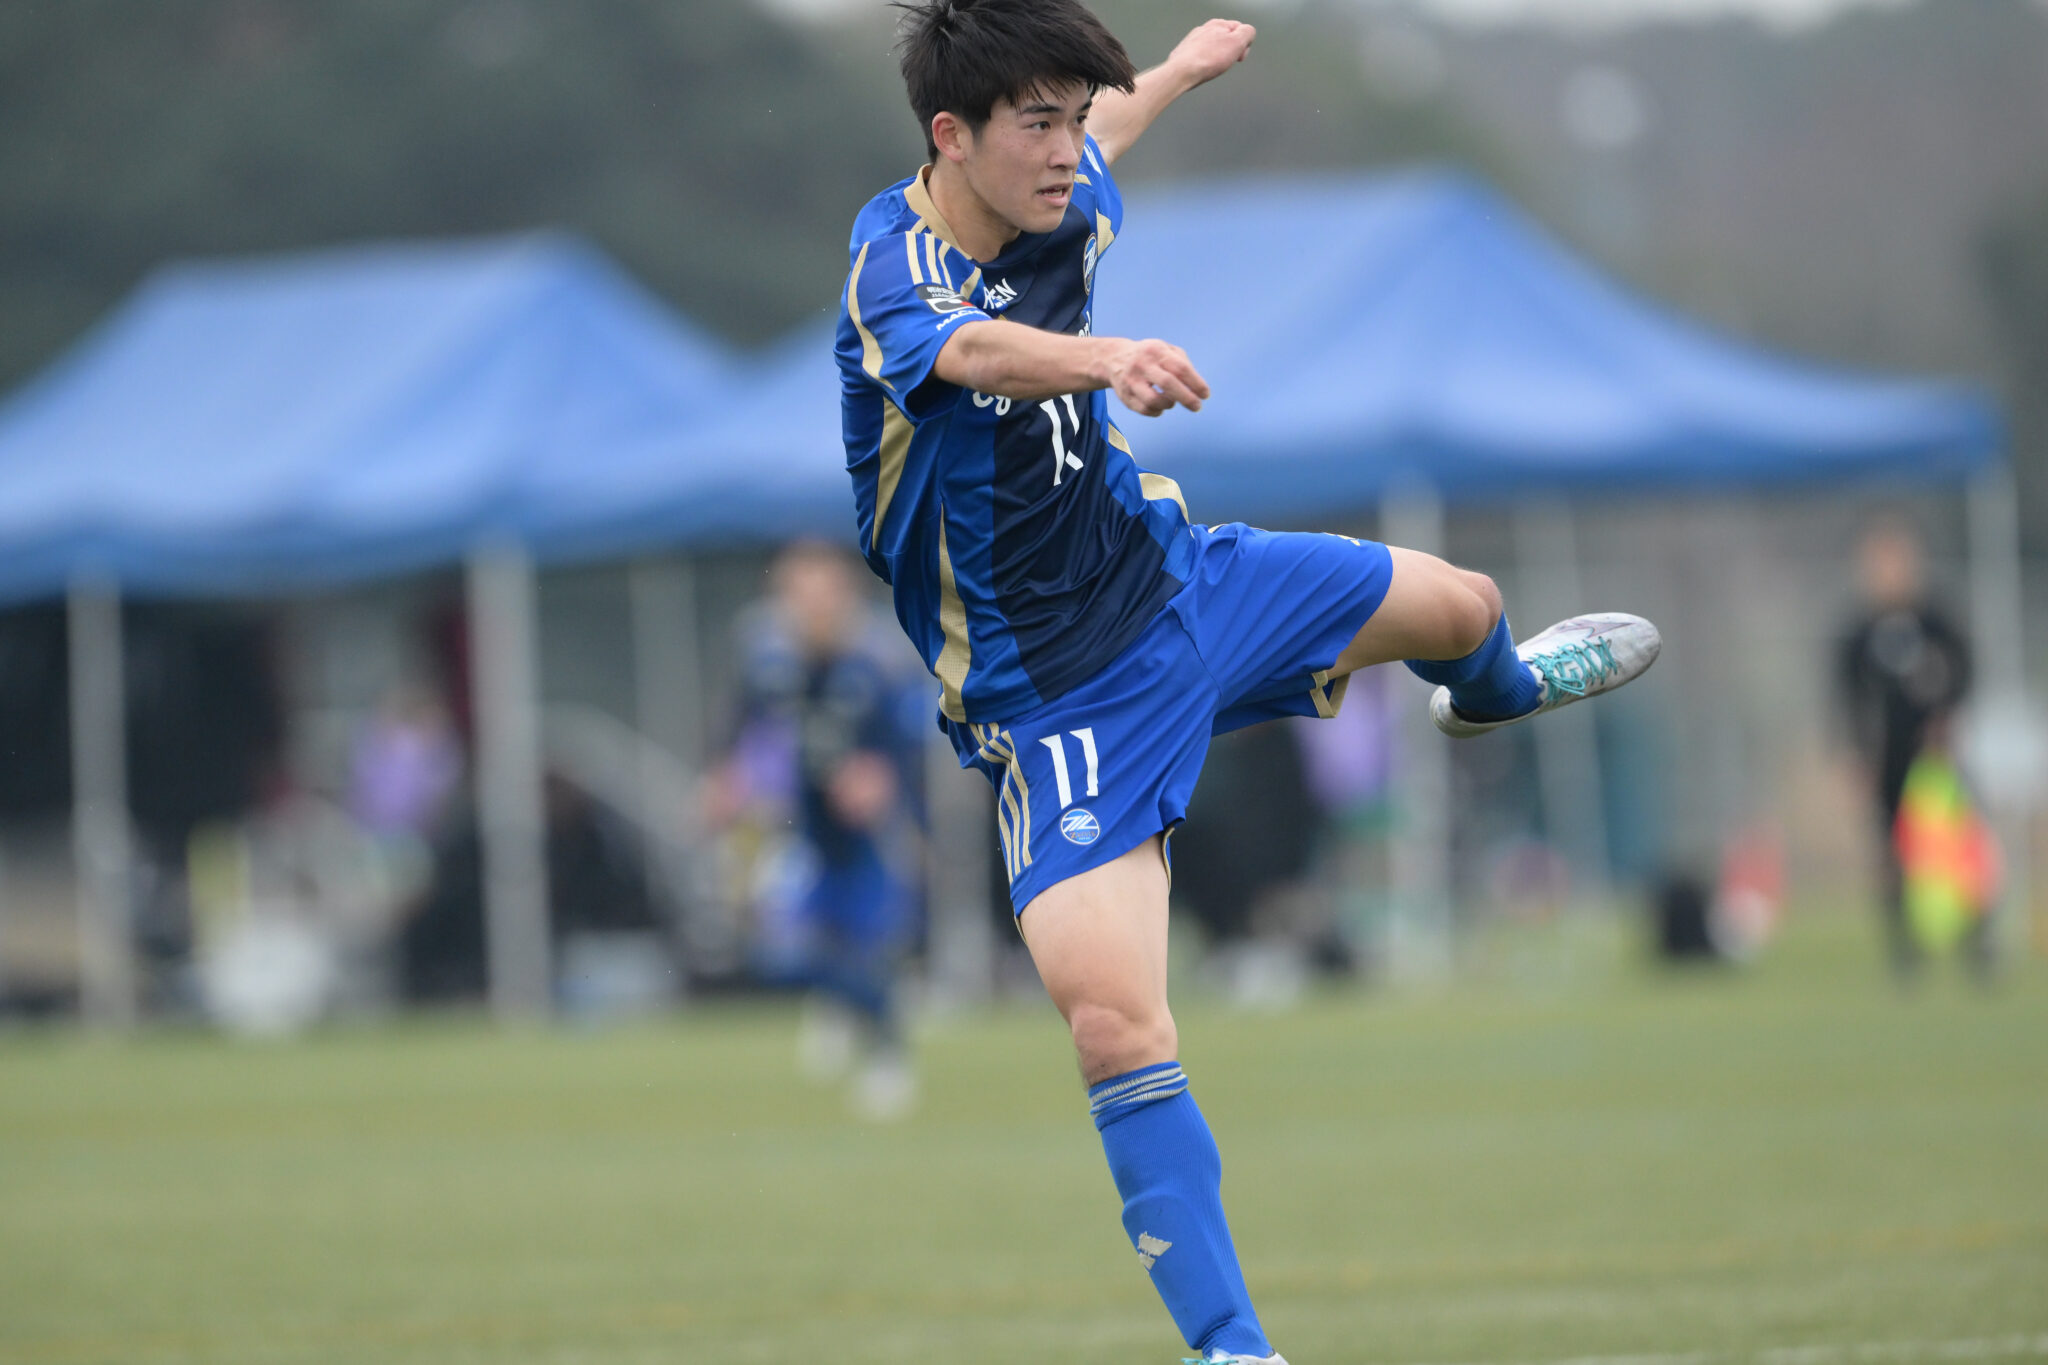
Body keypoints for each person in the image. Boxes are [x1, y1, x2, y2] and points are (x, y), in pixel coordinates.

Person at [834, 4, 1661, 1358]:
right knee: (1115, 1024)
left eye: (1069, 118)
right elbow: (971, 352)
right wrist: (1107, 357)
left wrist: (1172, 71)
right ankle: (1234, 1347)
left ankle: (1501, 690)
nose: (1065, 149)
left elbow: (1110, 130)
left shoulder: (1060, 175)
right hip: (1054, 700)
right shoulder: (892, 265)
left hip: (1175, 584)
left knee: (1466, 606)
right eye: (1034, 123)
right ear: (951, 137)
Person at [714, 541, 925, 1118]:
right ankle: (840, 1002)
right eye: (797, 594)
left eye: (821, 594)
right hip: (799, 828)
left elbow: (911, 738)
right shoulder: (770, 660)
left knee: (868, 945)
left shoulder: (877, 663)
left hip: (865, 835)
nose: (811, 608)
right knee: (784, 949)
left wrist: (881, 778)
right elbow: (738, 716)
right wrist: (724, 775)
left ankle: (887, 1056)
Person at [1835, 517, 1972, 980]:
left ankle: (1971, 939)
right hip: (1887, 758)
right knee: (1892, 851)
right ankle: (1904, 947)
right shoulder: (1859, 632)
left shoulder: (1936, 621)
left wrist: (1947, 719)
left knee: (1954, 850)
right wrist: (1858, 755)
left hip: (1936, 757)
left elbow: (1964, 671)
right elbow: (1848, 696)